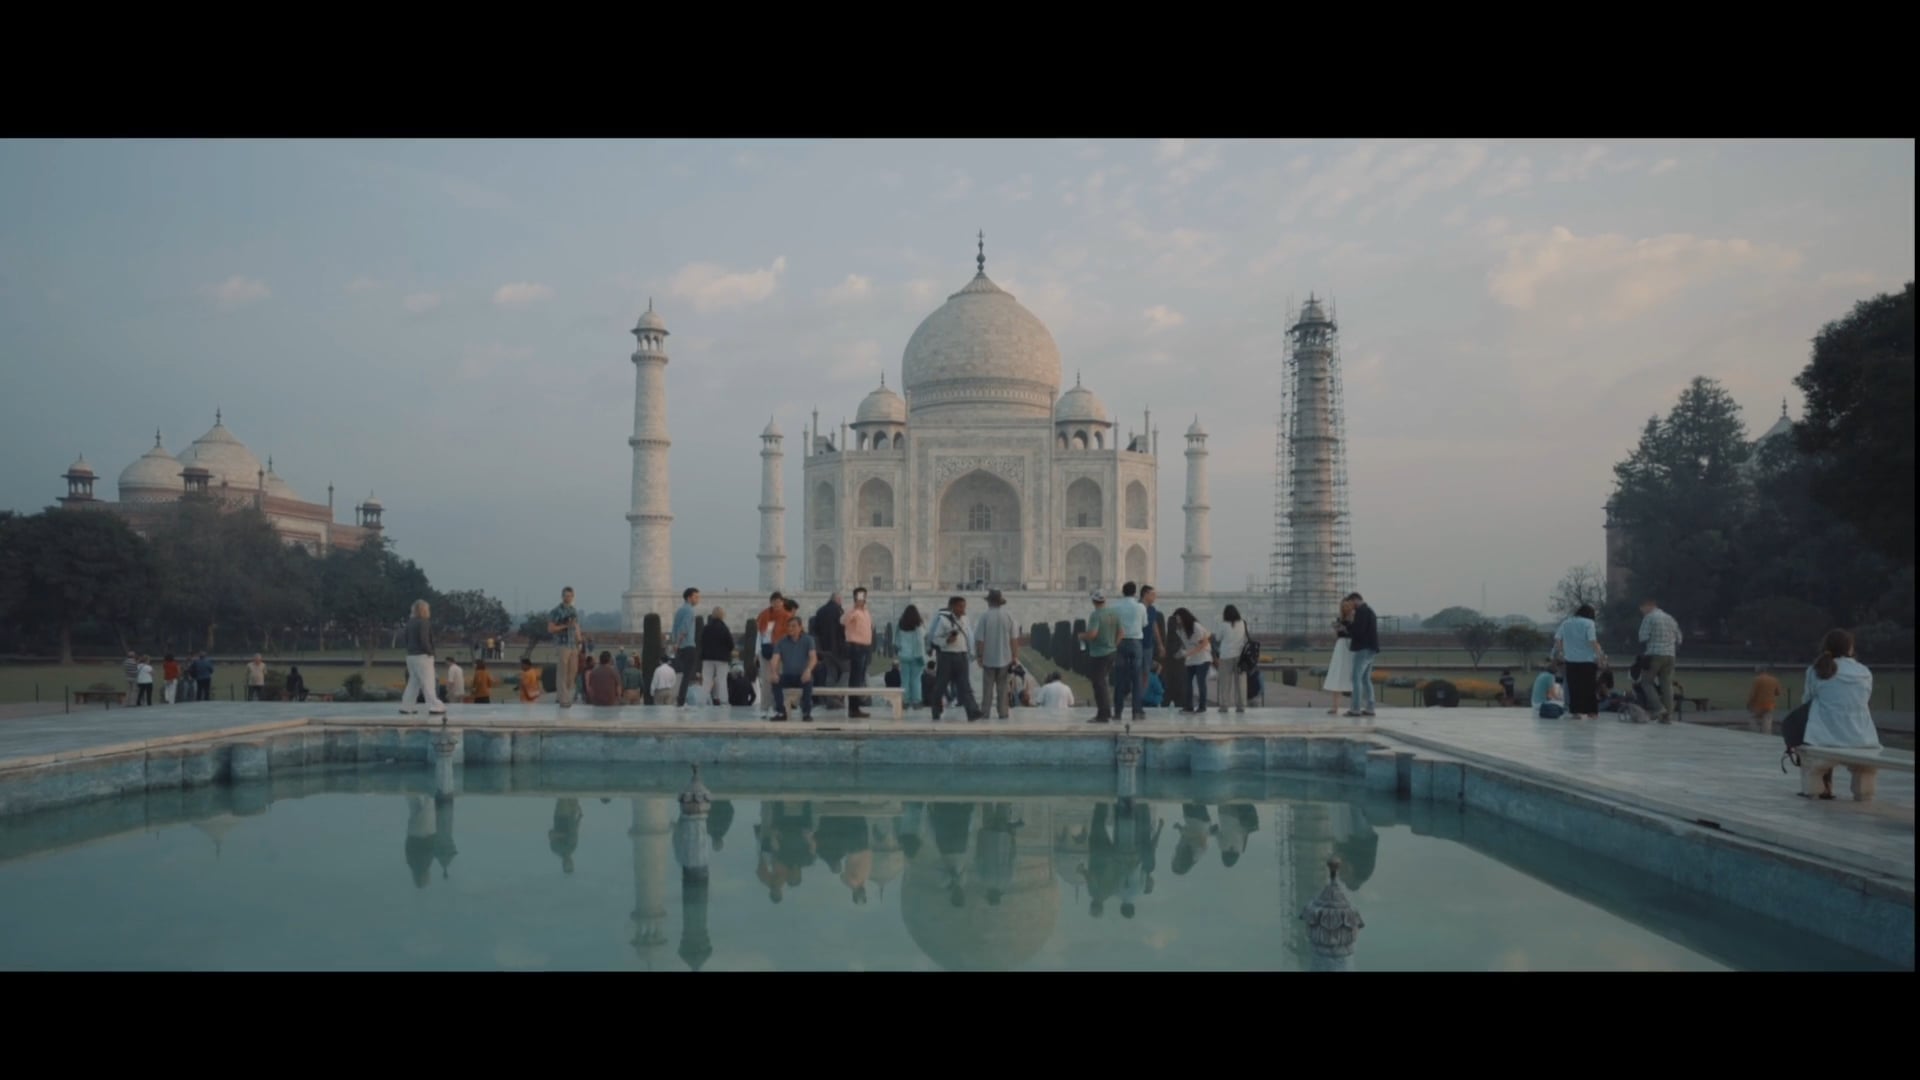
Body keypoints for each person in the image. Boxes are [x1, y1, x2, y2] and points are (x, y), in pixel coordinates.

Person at [1797, 629, 1882, 800]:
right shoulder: (1864, 672)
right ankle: (1861, 793)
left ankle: (1816, 788)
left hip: (1824, 738)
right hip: (1863, 739)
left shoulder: (1815, 671)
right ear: (1850, 648)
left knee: (1811, 736)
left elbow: (1806, 701)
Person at [928, 596, 983, 722]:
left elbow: (969, 636)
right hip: (946, 656)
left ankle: (972, 712)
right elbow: (935, 638)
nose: (963, 609)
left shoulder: (965, 619)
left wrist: (971, 652)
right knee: (941, 685)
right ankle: (936, 710)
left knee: (965, 685)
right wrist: (947, 640)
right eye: (960, 606)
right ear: (952, 607)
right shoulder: (943, 620)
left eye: (964, 606)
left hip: (961, 655)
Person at [1552, 603, 1607, 719]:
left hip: (1571, 660)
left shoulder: (1566, 623)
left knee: (1574, 687)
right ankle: (1592, 712)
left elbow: (1558, 639)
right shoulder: (1589, 623)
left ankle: (1576, 712)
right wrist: (1600, 657)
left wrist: (1563, 651)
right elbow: (1593, 641)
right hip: (1587, 661)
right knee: (1589, 687)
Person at [1637, 598, 1683, 724]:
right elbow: (1679, 638)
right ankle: (1668, 715)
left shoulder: (1649, 618)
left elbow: (1642, 637)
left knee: (1646, 682)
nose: (1641, 611)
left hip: (1654, 654)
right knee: (1666, 685)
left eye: (1642, 608)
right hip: (1670, 655)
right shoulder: (1670, 618)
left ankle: (1659, 708)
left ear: (1647, 606)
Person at [1078, 591, 1122, 723]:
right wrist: (1114, 645)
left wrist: (1081, 636)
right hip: (1111, 652)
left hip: (1099, 654)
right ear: (1105, 600)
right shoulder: (1114, 613)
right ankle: (1106, 712)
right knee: (1103, 683)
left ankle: (1102, 715)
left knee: (1099, 684)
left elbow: (1092, 634)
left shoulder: (1096, 615)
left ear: (1093, 601)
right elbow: (1121, 632)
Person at [975, 589, 1019, 720]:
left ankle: (985, 713)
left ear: (989, 602)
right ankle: (1003, 712)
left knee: (987, 689)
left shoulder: (984, 616)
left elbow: (980, 640)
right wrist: (1015, 656)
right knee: (1003, 688)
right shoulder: (1009, 616)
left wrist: (979, 656)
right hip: (1005, 658)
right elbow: (1014, 639)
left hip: (988, 658)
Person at [397, 599, 444, 715]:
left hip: (411, 656)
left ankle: (406, 706)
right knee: (428, 682)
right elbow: (424, 640)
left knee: (413, 682)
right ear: (424, 610)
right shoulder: (424, 622)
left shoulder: (410, 622)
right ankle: (435, 705)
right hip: (423, 657)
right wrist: (431, 652)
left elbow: (406, 639)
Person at [1111, 583, 1149, 721]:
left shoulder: (1115, 607)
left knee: (1120, 678)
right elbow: (1144, 624)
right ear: (1135, 593)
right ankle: (1137, 712)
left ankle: (1117, 712)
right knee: (1136, 678)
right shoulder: (1140, 607)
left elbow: (1113, 624)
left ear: (1122, 592)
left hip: (1120, 643)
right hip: (1135, 643)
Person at [771, 615, 818, 723]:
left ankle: (806, 713)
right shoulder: (781, 642)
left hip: (803, 675)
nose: (790, 628)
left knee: (808, 681)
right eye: (789, 626)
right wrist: (774, 672)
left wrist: (808, 670)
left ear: (800, 627)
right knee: (775, 681)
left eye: (793, 626)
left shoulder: (808, 640)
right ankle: (781, 712)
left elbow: (813, 658)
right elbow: (775, 659)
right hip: (788, 675)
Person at [1171, 608, 1213, 713]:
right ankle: (1189, 706)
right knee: (1187, 682)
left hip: (1203, 658)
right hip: (1191, 659)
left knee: (1200, 682)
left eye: (1178, 618)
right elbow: (1186, 644)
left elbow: (1204, 642)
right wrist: (1181, 653)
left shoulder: (1196, 627)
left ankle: (1202, 706)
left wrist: (1190, 653)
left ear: (1184, 617)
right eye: (1176, 618)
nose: (1177, 620)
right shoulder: (1179, 630)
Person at [1344, 592, 1379, 718]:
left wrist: (1348, 624)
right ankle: (1370, 708)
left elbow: (1358, 632)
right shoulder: (1370, 611)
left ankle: (1355, 708)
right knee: (1365, 679)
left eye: (1350, 603)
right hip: (1371, 648)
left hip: (1363, 649)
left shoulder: (1361, 612)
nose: (1350, 606)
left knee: (1356, 678)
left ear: (1355, 600)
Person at [841, 587, 875, 719]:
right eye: (860, 596)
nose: (862, 599)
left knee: (860, 678)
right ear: (855, 597)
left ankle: (856, 707)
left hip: (865, 648)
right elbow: (843, 621)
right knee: (855, 679)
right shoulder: (853, 611)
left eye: (864, 596)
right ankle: (853, 708)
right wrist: (853, 608)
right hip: (856, 647)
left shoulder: (866, 612)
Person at [753, 592, 787, 719]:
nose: (776, 604)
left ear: (782, 602)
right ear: (771, 602)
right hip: (765, 651)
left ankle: (777, 706)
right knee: (766, 680)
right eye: (774, 601)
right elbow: (759, 636)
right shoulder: (764, 616)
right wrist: (756, 653)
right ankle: (764, 707)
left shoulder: (787, 617)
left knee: (777, 680)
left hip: (780, 653)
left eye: (779, 601)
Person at [547, 587, 582, 708]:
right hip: (562, 644)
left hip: (573, 645)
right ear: (562, 597)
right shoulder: (556, 611)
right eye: (566, 596)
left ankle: (562, 695)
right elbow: (551, 629)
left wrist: (580, 640)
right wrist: (565, 626)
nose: (568, 598)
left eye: (570, 596)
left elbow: (576, 626)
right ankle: (563, 699)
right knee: (562, 672)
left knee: (572, 672)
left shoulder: (573, 610)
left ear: (572, 597)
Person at [893, 604, 929, 711]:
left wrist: (899, 650)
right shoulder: (919, 625)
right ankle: (916, 701)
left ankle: (905, 701)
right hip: (916, 656)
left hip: (904, 655)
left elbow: (896, 640)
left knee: (905, 680)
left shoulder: (900, 624)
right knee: (916, 680)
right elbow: (922, 638)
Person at [1216, 604, 1250, 714]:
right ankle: (1241, 706)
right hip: (1240, 656)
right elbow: (1245, 638)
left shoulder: (1223, 625)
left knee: (1225, 683)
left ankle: (1224, 705)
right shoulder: (1242, 623)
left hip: (1226, 656)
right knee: (1240, 683)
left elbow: (1217, 638)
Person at [671, 587, 701, 706]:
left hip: (680, 647)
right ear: (689, 598)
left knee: (682, 674)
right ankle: (681, 700)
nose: (698, 600)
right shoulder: (689, 611)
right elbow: (684, 628)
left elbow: (674, 628)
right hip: (688, 645)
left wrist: (675, 644)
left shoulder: (680, 610)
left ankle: (680, 699)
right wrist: (678, 643)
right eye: (695, 597)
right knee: (687, 676)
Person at [700, 606, 734, 709]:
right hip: (721, 658)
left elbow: (701, 642)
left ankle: (702, 701)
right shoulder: (724, 628)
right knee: (722, 680)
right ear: (722, 615)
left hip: (707, 658)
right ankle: (723, 701)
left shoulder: (706, 628)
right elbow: (731, 644)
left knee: (706, 680)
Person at [1748, 666, 1783, 734]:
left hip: (1757, 705)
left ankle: (1755, 733)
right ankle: (1766, 735)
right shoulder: (1774, 679)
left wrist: (1749, 703)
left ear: (1758, 671)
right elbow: (1778, 693)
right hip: (1770, 705)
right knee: (1767, 720)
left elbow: (1752, 694)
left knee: (1752, 718)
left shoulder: (1757, 679)